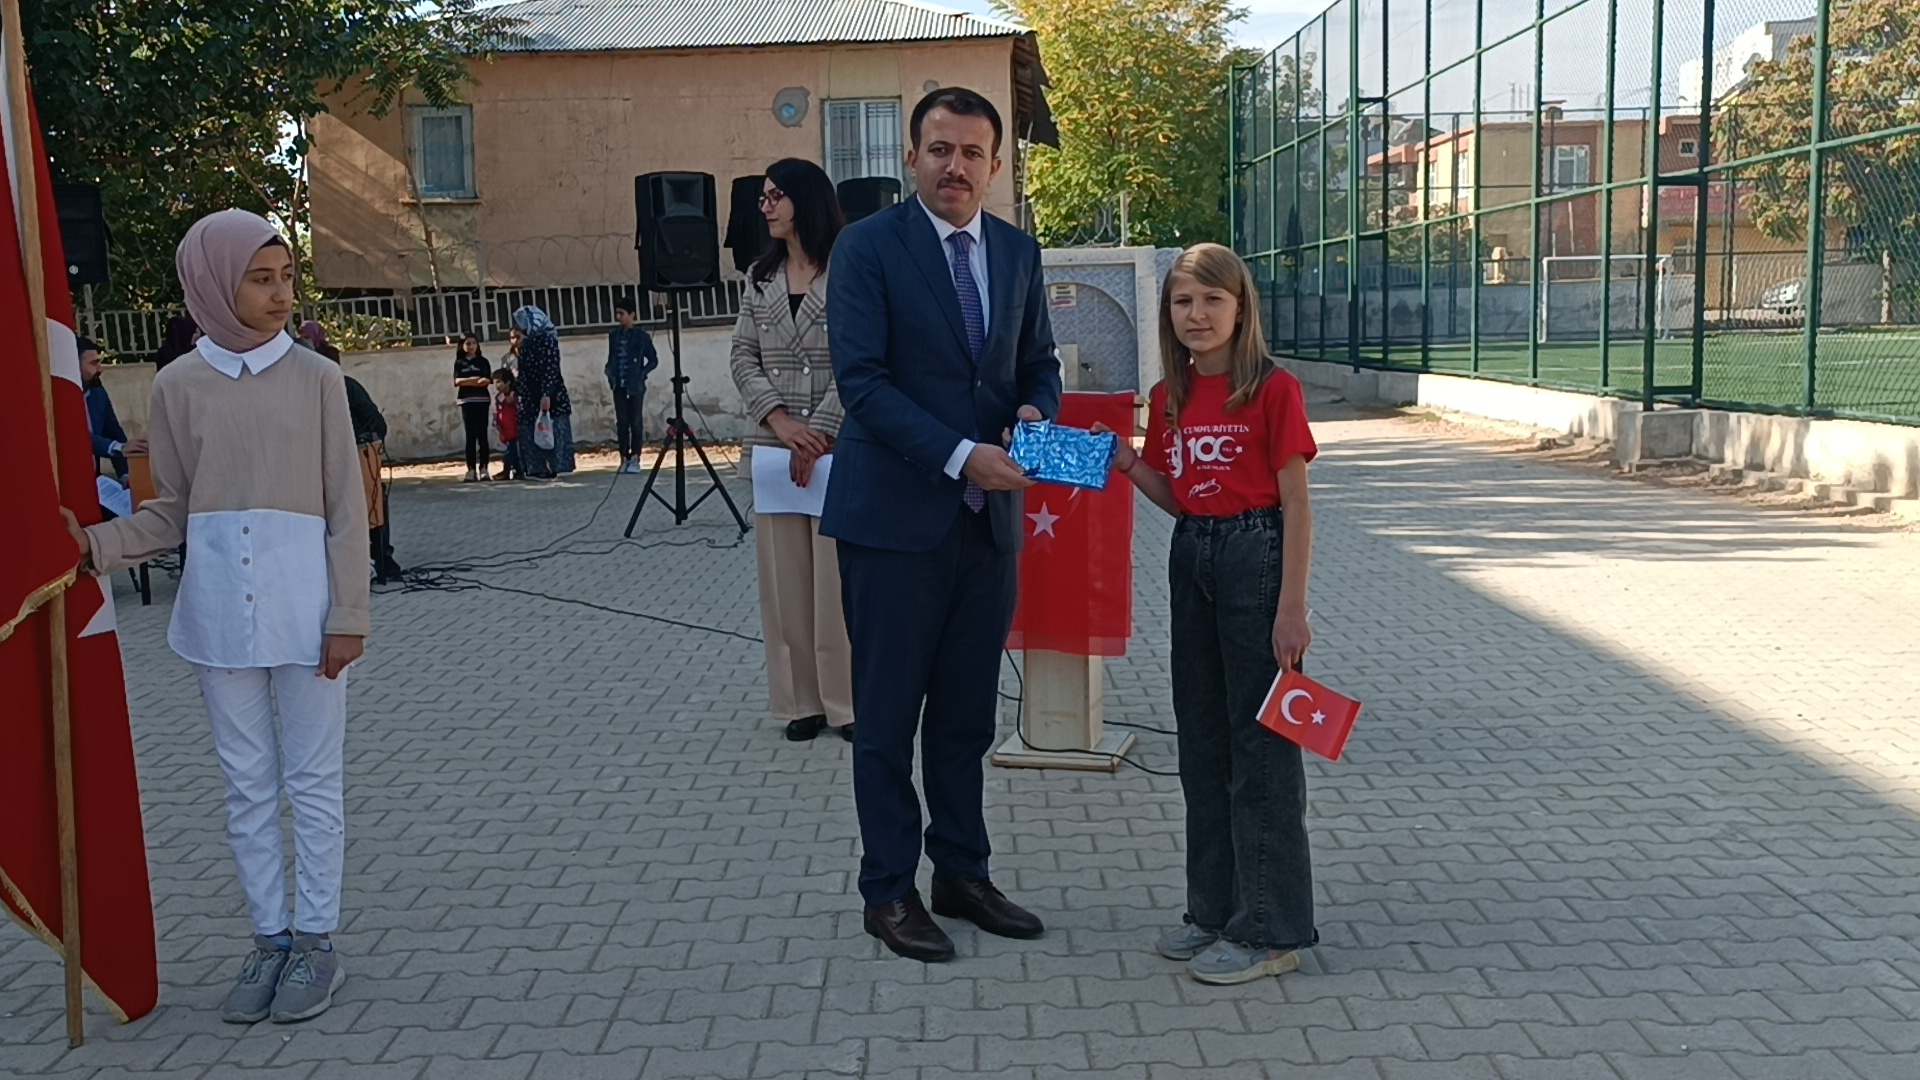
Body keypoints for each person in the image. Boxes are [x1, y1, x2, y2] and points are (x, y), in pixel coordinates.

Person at [60, 209, 367, 1023]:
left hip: (307, 611)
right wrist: (92, 546)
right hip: (220, 614)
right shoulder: (178, 385)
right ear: (211, 284)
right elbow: (173, 510)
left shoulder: (318, 378)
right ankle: (268, 937)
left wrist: (349, 614)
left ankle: (316, 941)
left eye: (286, 277)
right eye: (260, 279)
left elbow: (347, 506)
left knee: (313, 780)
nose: (279, 294)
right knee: (246, 785)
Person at [821, 87, 1062, 962]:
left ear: (994, 166)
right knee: (887, 721)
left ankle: (962, 873)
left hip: (986, 528)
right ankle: (887, 891)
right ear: (912, 157)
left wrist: (1036, 411)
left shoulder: (1018, 251)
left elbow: (1037, 363)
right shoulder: (867, 247)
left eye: (971, 153)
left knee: (964, 718)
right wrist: (962, 456)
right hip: (893, 523)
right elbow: (863, 382)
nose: (954, 166)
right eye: (939, 149)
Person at [1099, 242, 1319, 985]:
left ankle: (1270, 931)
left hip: (1257, 556)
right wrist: (1132, 465)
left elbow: (1297, 504)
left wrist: (1292, 607)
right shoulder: (1170, 396)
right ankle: (1214, 910)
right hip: (1194, 554)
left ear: (1240, 307)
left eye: (1212, 300)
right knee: (1202, 742)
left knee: (1260, 749)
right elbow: (1183, 496)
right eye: (1183, 301)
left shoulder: (1273, 390)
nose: (1197, 314)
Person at [729, 158, 853, 744]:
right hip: (776, 452)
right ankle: (801, 701)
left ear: (806, 198)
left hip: (837, 449)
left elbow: (863, 358)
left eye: (775, 195)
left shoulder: (849, 270)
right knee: (785, 585)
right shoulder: (759, 277)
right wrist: (781, 424)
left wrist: (819, 432)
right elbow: (742, 357)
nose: (766, 206)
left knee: (837, 585)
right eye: (763, 197)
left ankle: (846, 702)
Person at [300, 321, 399, 579]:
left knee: (372, 505)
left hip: (358, 459)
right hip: (320, 467)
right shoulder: (300, 393)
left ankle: (381, 559)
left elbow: (377, 424)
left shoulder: (348, 387)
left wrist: (362, 439)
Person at [80, 336, 146, 518]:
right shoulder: (58, 398)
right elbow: (77, 437)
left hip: (97, 483)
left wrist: (125, 474)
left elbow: (114, 431)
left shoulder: (98, 393)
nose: (99, 369)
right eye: (93, 363)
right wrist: (117, 447)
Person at [512, 306, 573, 478]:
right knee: (529, 429)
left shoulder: (547, 341)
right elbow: (524, 372)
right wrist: (518, 392)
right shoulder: (528, 343)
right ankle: (537, 468)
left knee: (554, 431)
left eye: (523, 323)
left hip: (551, 396)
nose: (521, 327)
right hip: (530, 396)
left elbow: (551, 370)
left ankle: (558, 467)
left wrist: (546, 394)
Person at [606, 298, 659, 474]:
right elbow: (611, 358)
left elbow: (653, 359)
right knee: (622, 422)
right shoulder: (614, 336)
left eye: (622, 313)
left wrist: (642, 374)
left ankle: (636, 457)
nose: (618, 317)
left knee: (635, 422)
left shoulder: (641, 336)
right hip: (619, 385)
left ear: (632, 315)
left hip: (635, 386)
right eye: (617, 313)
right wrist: (610, 374)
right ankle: (623, 457)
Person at [454, 334, 493, 481]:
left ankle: (484, 468)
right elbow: (457, 381)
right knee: (470, 436)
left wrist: (469, 381)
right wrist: (475, 380)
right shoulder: (459, 363)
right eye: (468, 343)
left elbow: (486, 380)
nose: (471, 346)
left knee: (482, 435)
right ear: (462, 346)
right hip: (466, 401)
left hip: (482, 401)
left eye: (473, 343)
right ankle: (471, 469)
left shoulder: (483, 362)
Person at [492, 368, 522, 481]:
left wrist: (514, 399)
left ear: (508, 382)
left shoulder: (514, 395)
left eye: (499, 382)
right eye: (495, 382)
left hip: (515, 429)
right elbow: (497, 413)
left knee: (511, 452)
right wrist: (500, 429)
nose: (497, 385)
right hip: (505, 429)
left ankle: (507, 471)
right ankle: (517, 471)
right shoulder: (499, 397)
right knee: (512, 451)